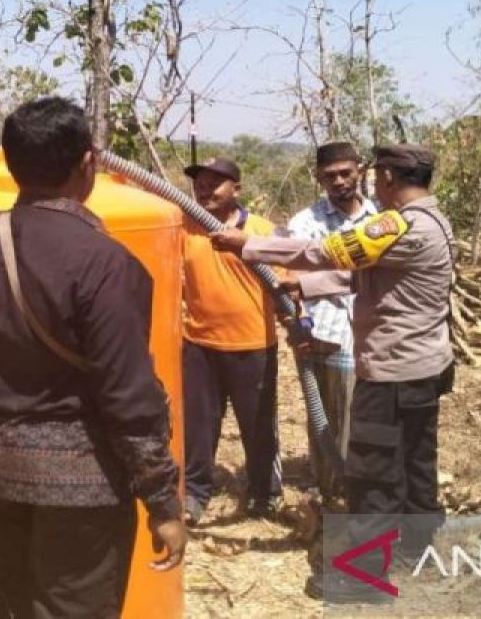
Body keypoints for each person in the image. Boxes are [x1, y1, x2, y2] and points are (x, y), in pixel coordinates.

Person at [0, 97, 186, 618]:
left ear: (12, 164)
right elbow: (129, 397)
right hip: (84, 490)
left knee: (7, 606)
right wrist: (163, 503)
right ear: (88, 164)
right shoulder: (105, 262)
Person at [211, 143, 454, 604]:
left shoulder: (399, 225)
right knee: (415, 462)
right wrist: (301, 285)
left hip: (392, 374)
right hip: (425, 368)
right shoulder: (433, 220)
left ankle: (364, 577)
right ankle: (416, 547)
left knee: (375, 472)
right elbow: (366, 273)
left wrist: (251, 245)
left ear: (386, 178)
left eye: (375, 176)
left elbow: (330, 252)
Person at [181, 156, 283, 525]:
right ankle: (194, 492)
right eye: (200, 183)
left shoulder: (261, 230)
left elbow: (285, 283)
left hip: (252, 346)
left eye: (215, 182)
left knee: (257, 424)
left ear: (236, 189)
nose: (205, 189)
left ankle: (263, 492)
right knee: (198, 424)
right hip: (199, 344)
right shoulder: (185, 226)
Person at [284, 141, 377, 504]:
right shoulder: (306, 223)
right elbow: (291, 280)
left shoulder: (381, 219)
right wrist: (300, 325)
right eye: (330, 176)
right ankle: (330, 495)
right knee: (327, 422)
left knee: (365, 423)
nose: (339, 181)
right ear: (319, 178)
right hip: (327, 335)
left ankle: (356, 491)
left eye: (345, 173)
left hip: (373, 338)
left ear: (360, 171)